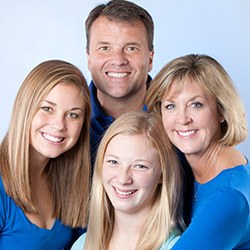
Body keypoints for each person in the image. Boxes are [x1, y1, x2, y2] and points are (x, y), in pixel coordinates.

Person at [146, 54, 250, 249]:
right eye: (170, 106)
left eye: (196, 105)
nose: (182, 119)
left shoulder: (228, 197)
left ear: (221, 111)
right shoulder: (190, 170)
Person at [0, 60, 91, 249]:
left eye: (73, 115)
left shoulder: (70, 181)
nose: (59, 125)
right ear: (25, 109)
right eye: (47, 108)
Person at [71, 110, 184, 250]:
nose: (123, 178)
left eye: (140, 166)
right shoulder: (82, 245)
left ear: (162, 174)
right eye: (113, 162)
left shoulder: (177, 246)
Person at [85, 0, 154, 165]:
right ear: (88, 59)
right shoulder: (65, 123)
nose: (118, 60)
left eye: (131, 48)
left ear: (150, 59)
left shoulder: (178, 122)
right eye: (105, 48)